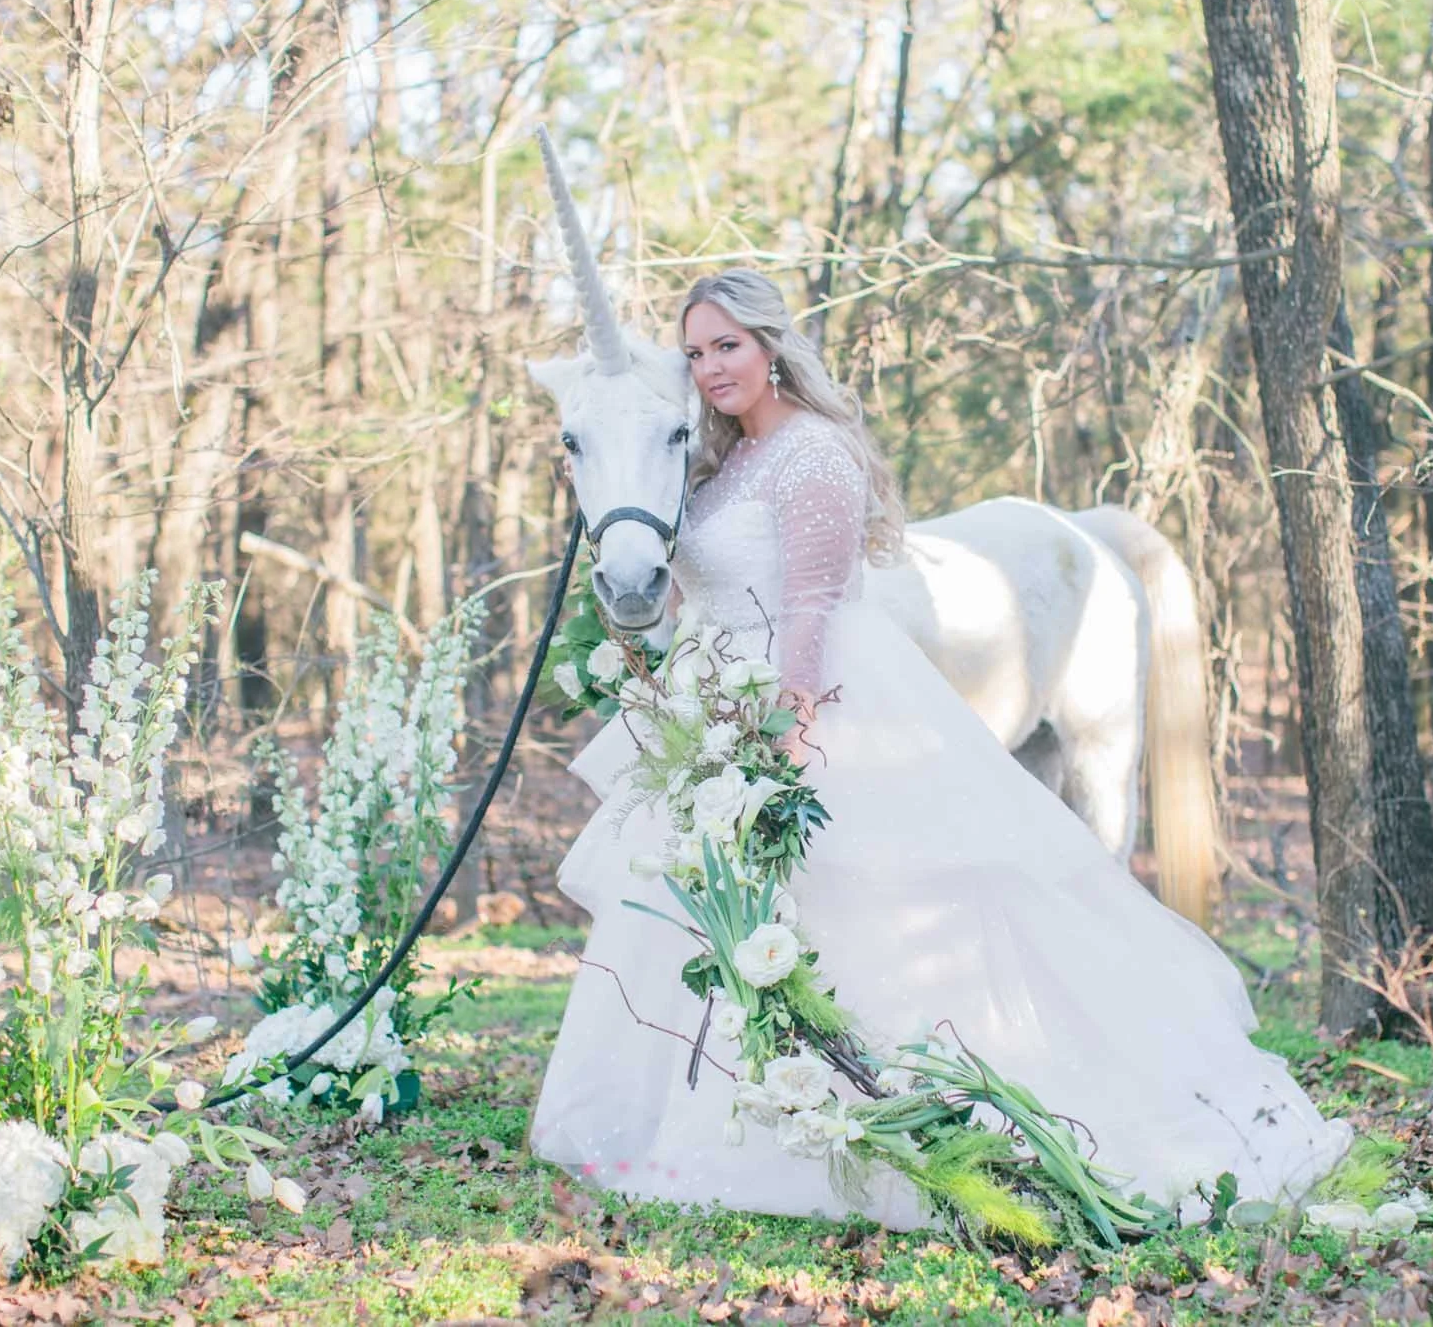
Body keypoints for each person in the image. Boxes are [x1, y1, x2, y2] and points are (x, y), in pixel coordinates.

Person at [527, 269, 1349, 1230]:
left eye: (729, 345)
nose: (711, 367)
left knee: (856, 926)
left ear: (771, 347)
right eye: (697, 351)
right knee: (730, 930)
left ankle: (906, 1114)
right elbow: (690, 589)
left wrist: (781, 745)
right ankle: (729, 1121)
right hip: (715, 710)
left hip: (806, 715)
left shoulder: (813, 455)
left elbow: (814, 611)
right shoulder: (722, 467)